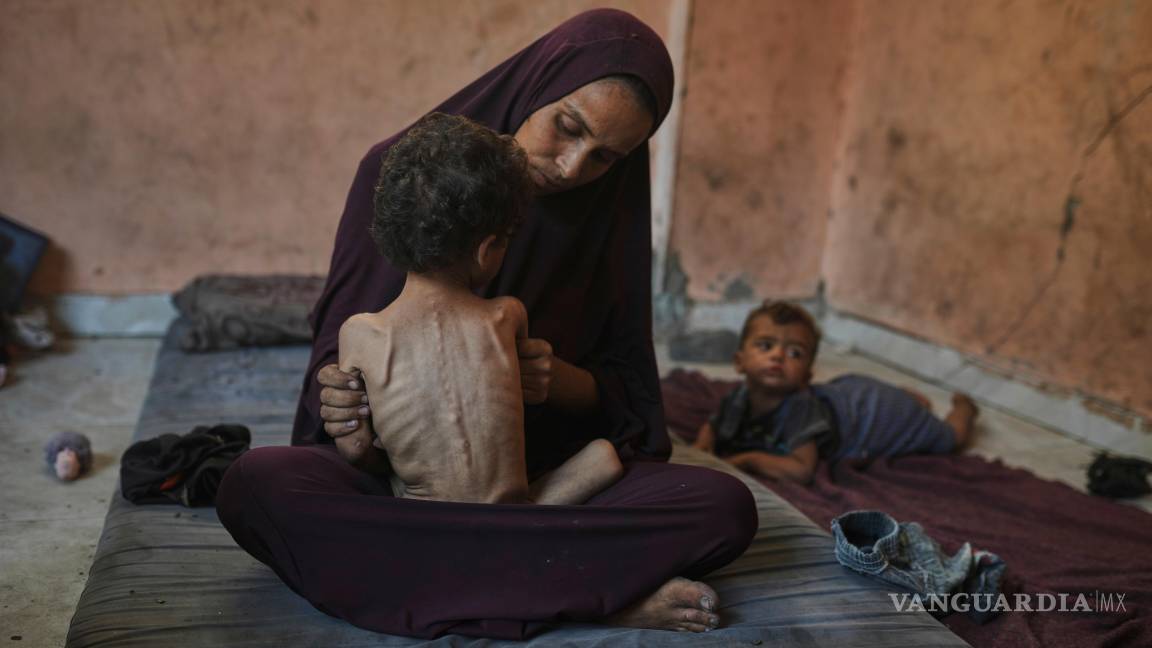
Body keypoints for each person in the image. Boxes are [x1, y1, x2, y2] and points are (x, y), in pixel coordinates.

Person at [216, 9, 758, 640]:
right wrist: (341, 399)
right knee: (256, 486)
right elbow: (331, 377)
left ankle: (454, 582)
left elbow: (629, 402)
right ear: (538, 83)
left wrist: (554, 380)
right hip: (409, 487)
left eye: (607, 156)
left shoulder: (606, 219)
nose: (571, 166)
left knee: (723, 507)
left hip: (536, 476)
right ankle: (586, 597)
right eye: (568, 127)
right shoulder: (400, 177)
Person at [338, 111, 623, 505]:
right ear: (488, 249)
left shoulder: (359, 332)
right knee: (605, 456)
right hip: (512, 519)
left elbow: (355, 450)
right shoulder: (507, 316)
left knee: (271, 476)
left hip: (423, 526)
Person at [693, 301, 978, 483]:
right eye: (766, 346)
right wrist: (700, 447)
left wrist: (747, 459)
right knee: (875, 395)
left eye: (794, 352)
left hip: (876, 416)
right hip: (851, 394)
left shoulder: (799, 409)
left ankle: (962, 410)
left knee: (949, 439)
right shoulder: (738, 398)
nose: (778, 356)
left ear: (807, 376)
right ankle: (909, 398)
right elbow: (714, 424)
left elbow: (801, 469)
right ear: (739, 361)